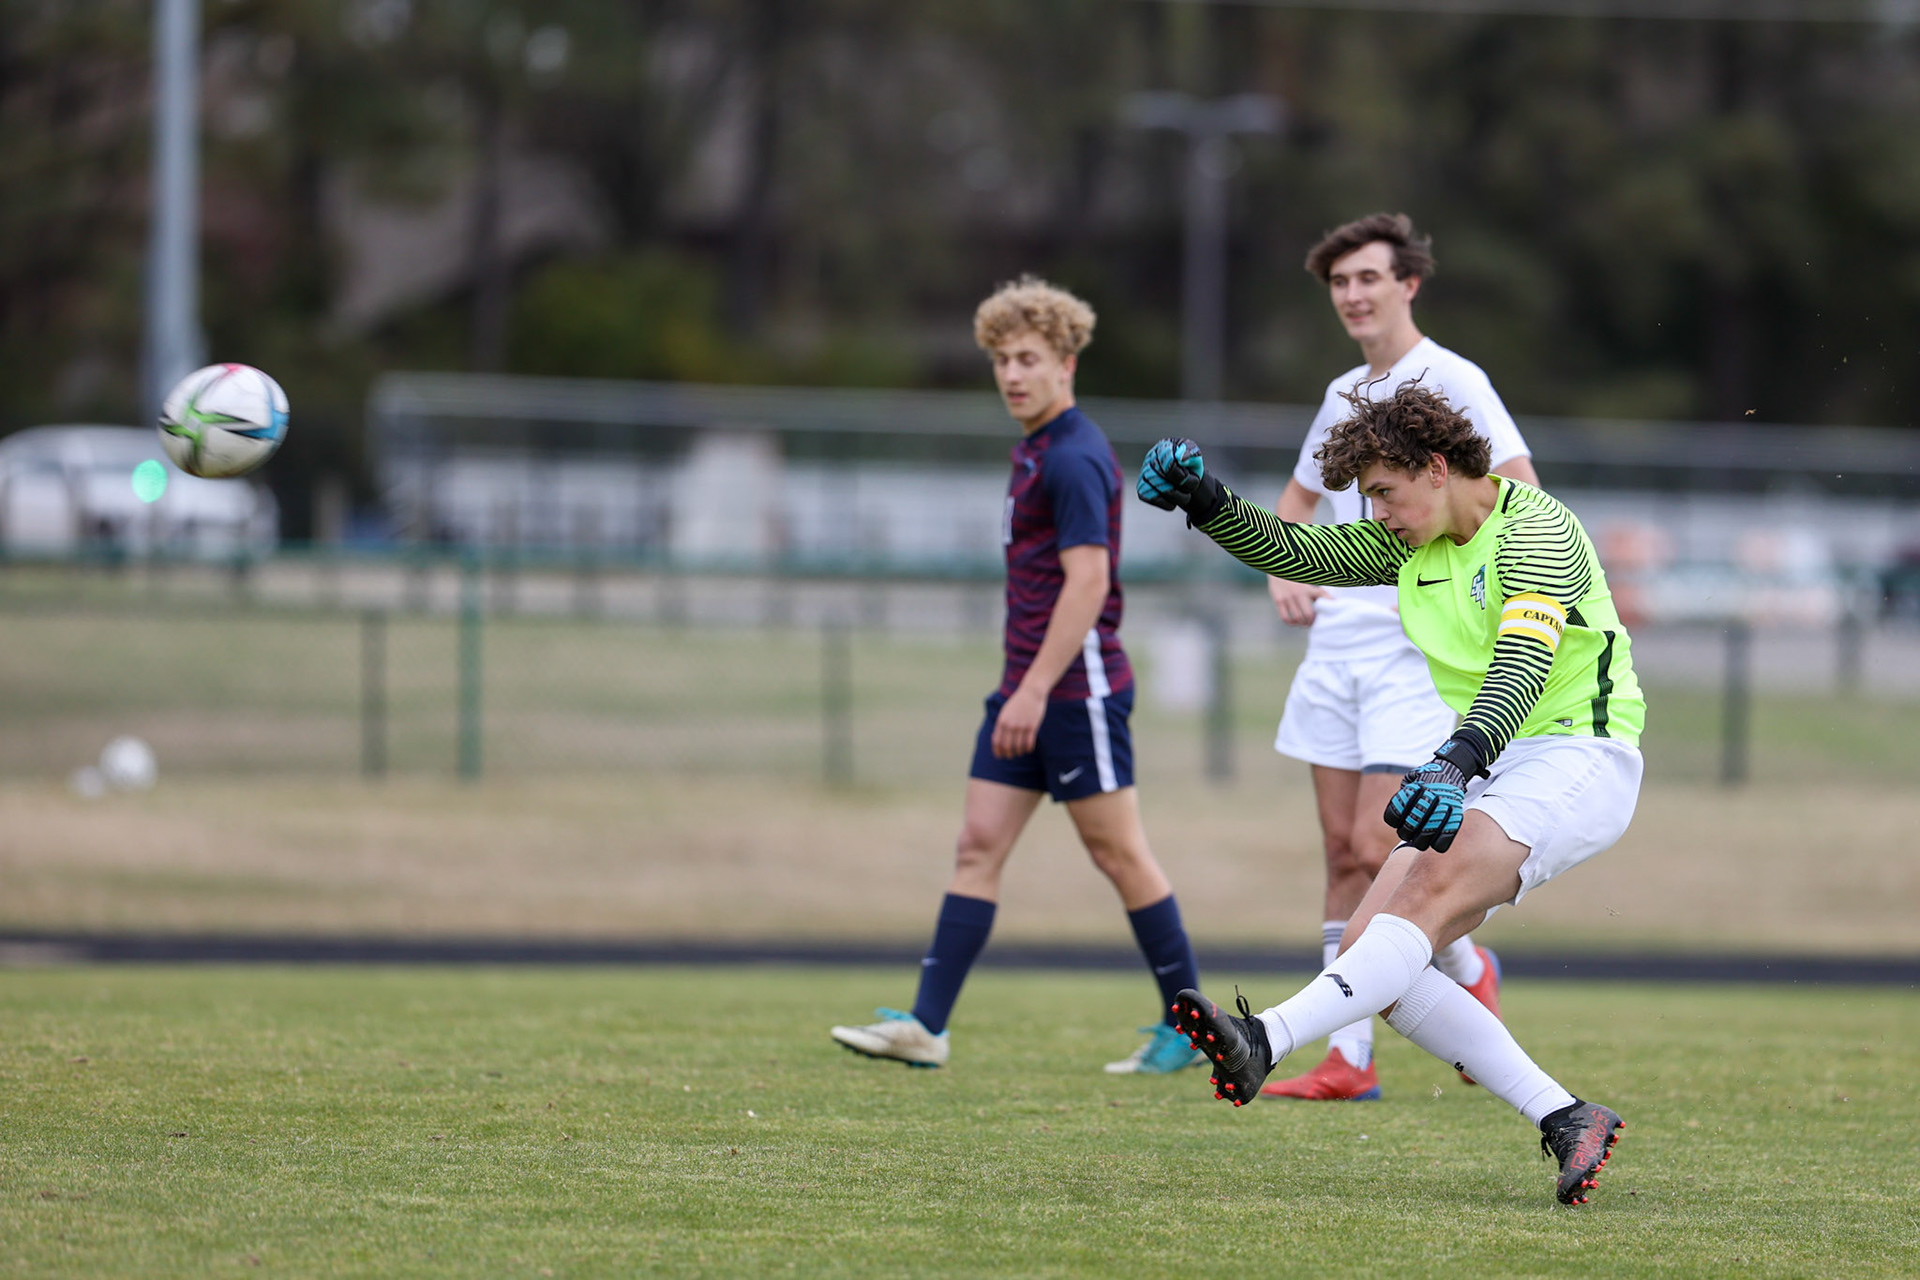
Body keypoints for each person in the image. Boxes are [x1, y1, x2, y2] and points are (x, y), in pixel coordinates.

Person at [1136, 381, 1645, 1206]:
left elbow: (1523, 663)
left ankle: (1262, 1039)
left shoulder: (1538, 529)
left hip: (1581, 755)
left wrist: (1453, 762)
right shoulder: (1416, 545)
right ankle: (1566, 1115)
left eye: (1382, 492)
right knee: (1376, 955)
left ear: (1438, 467)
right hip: (1499, 759)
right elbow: (1299, 554)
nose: (1374, 514)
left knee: (1423, 900)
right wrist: (1206, 500)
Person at [830, 276, 1206, 1075]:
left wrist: (1034, 691)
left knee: (1120, 855)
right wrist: (1019, 690)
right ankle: (927, 1026)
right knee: (976, 846)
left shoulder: (1072, 455)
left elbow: (1089, 584)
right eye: (1001, 359)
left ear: (1066, 362)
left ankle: (1191, 1024)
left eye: (1028, 357)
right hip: (1025, 691)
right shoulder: (1033, 448)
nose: (1012, 374)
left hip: (1074, 693)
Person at [1263, 213, 1538, 1102]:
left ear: (1408, 283)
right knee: (1340, 851)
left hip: (1410, 649)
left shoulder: (1453, 380)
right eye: (1339, 283)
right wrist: (1283, 571)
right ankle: (1353, 1061)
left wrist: (1478, 601)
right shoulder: (1345, 388)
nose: (1353, 296)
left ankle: (1459, 967)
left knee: (1385, 838)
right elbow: (1299, 499)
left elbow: (1520, 494)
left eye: (1368, 279)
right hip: (1335, 644)